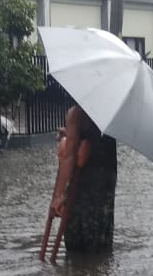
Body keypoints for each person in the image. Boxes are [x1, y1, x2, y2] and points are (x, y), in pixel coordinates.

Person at [49, 104, 117, 253]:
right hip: (106, 182)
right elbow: (93, 139)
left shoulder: (76, 113)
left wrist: (57, 196)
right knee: (100, 247)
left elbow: (70, 156)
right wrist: (71, 134)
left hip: (83, 184)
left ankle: (77, 273)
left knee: (76, 244)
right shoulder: (112, 111)